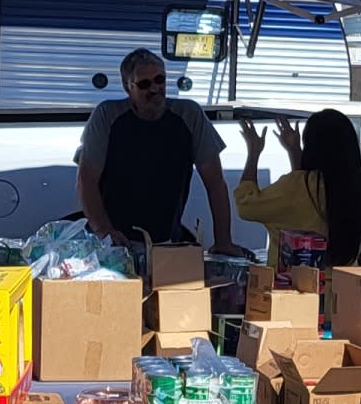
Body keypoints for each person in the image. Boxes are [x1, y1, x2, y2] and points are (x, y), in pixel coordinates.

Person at [76, 48, 242, 253]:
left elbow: (215, 182)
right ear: (128, 88)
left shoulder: (189, 114)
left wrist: (223, 241)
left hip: (165, 242)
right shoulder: (107, 116)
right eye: (144, 84)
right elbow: (86, 179)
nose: (154, 89)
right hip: (116, 243)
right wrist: (104, 231)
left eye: (159, 80)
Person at [234, 109, 361, 267]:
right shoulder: (360, 186)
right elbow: (305, 187)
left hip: (296, 287)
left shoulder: (298, 185)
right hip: (343, 285)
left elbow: (245, 205)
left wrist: (254, 151)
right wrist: (294, 151)